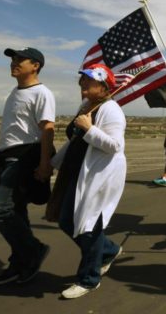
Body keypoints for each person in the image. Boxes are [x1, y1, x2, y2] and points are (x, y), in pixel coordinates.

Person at [50, 64, 127, 299]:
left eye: (88, 80)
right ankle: (109, 250)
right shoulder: (85, 106)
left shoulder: (111, 109)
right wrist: (52, 163)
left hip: (99, 175)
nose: (81, 83)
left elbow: (114, 145)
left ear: (103, 86)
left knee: (89, 226)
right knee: (67, 221)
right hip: (78, 171)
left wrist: (89, 128)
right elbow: (75, 141)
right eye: (81, 80)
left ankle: (89, 279)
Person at [0, 47, 55, 285]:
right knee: (16, 211)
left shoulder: (42, 93)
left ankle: (33, 249)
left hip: (25, 157)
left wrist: (45, 163)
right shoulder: (15, 92)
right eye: (12, 59)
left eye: (19, 59)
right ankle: (21, 262)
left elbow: (47, 129)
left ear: (35, 65)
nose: (13, 62)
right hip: (8, 157)